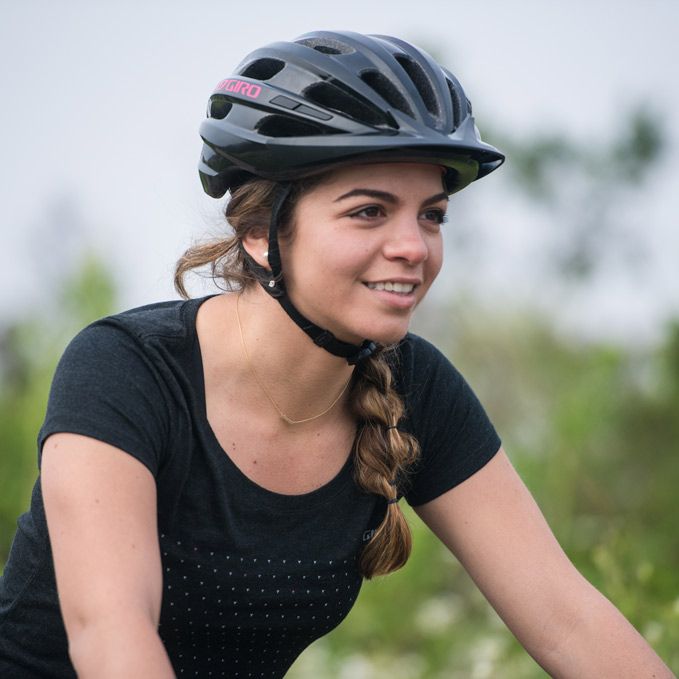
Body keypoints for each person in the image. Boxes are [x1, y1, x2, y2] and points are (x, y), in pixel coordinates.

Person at [0, 30, 672, 679]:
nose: (414, 246)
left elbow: (567, 621)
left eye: (431, 214)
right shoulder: (128, 369)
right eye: (369, 212)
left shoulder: (416, 386)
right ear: (261, 233)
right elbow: (111, 633)